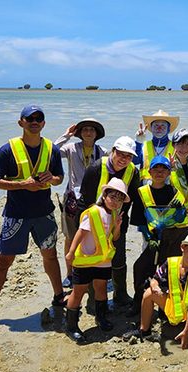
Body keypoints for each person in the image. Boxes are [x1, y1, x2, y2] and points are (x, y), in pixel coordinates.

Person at [0, 104, 65, 335]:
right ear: (21, 123)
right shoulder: (7, 150)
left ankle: (58, 296)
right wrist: (21, 185)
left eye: (39, 118)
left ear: (44, 123)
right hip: (16, 215)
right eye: (30, 119)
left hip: (44, 213)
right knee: (3, 262)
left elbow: (59, 178)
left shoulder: (51, 149)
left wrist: (52, 178)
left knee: (51, 256)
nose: (34, 122)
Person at [123, 233, 188, 354]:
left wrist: (186, 332)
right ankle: (144, 330)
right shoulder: (170, 263)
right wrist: (155, 287)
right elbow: (155, 279)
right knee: (149, 293)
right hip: (172, 307)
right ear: (183, 247)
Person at [77, 136, 140, 307]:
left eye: (128, 156)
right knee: (94, 261)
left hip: (117, 224)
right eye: (120, 154)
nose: (124, 159)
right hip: (94, 224)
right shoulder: (96, 168)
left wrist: (122, 223)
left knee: (118, 260)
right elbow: (84, 200)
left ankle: (120, 295)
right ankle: (92, 300)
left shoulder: (133, 171)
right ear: (113, 151)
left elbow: (132, 199)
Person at [64, 178, 128, 344]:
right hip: (85, 259)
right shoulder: (93, 212)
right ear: (104, 195)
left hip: (102, 260)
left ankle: (101, 318)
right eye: (112, 197)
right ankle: (71, 326)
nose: (115, 202)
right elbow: (80, 233)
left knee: (101, 288)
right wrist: (70, 253)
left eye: (120, 199)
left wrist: (118, 225)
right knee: (78, 291)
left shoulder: (113, 215)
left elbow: (115, 237)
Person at [129, 155, 188, 315]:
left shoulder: (175, 192)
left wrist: (179, 213)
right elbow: (139, 221)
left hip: (172, 238)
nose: (159, 172)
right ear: (149, 172)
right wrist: (149, 238)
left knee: (169, 272)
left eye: (163, 169)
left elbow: (182, 219)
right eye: (156, 168)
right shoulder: (141, 193)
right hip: (153, 238)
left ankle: (166, 306)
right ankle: (139, 302)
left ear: (169, 173)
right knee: (140, 268)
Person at [54, 118, 107, 288]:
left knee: (94, 236)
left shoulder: (102, 152)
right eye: (84, 130)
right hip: (72, 199)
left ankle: (92, 271)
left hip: (95, 201)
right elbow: (52, 152)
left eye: (92, 130)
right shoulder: (71, 148)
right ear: (80, 133)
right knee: (70, 237)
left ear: (97, 134)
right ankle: (70, 274)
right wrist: (66, 135)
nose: (88, 132)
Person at [135, 110, 179, 182]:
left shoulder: (176, 147)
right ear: (151, 128)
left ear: (168, 129)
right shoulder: (143, 146)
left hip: (168, 188)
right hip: (145, 190)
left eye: (163, 126)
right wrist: (138, 142)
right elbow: (134, 161)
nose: (159, 129)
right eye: (156, 125)